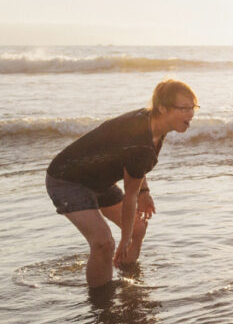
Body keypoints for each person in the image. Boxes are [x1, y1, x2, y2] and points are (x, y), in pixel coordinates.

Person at [46, 79, 199, 288]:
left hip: (98, 180)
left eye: (193, 107)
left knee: (138, 227)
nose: (191, 114)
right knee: (104, 243)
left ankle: (126, 277)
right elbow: (130, 195)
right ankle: (102, 302)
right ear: (162, 108)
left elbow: (135, 166)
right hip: (67, 180)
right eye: (184, 108)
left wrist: (144, 191)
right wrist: (125, 238)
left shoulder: (153, 125)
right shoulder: (141, 140)